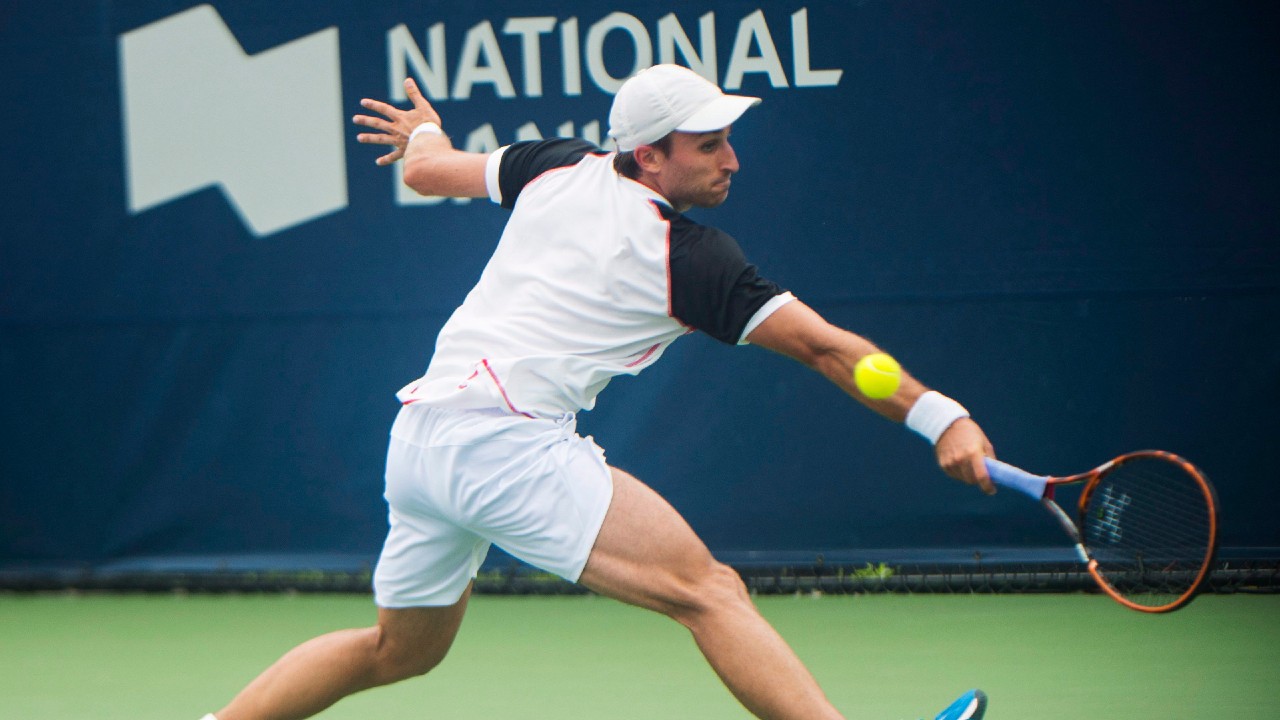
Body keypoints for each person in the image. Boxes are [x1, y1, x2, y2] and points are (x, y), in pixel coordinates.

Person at [201, 64, 994, 720]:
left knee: (397, 650)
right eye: (709, 145)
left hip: (419, 440)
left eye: (729, 141)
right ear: (650, 157)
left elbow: (423, 169)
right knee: (708, 592)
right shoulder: (691, 257)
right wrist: (941, 417)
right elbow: (826, 349)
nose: (732, 160)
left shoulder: (557, 164)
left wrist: (425, 133)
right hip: (505, 445)